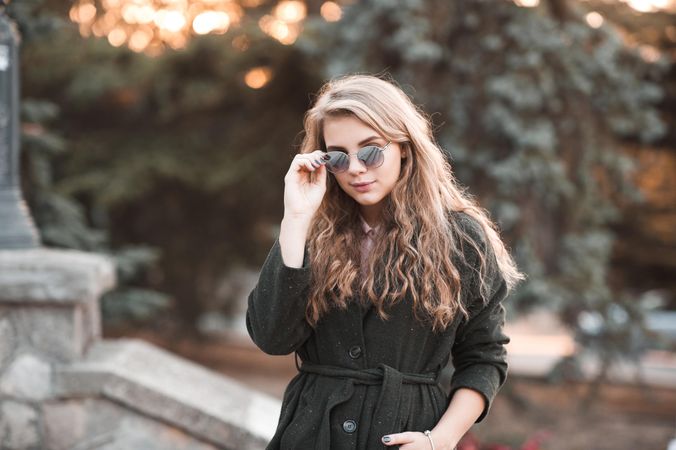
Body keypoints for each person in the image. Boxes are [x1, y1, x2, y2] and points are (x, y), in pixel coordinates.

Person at [246, 74, 524, 450]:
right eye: (339, 156)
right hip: (312, 435)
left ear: (404, 148)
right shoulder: (310, 229)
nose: (356, 168)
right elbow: (272, 337)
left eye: (371, 150)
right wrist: (295, 218)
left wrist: (439, 440)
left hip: (408, 434)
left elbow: (484, 357)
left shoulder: (461, 238)